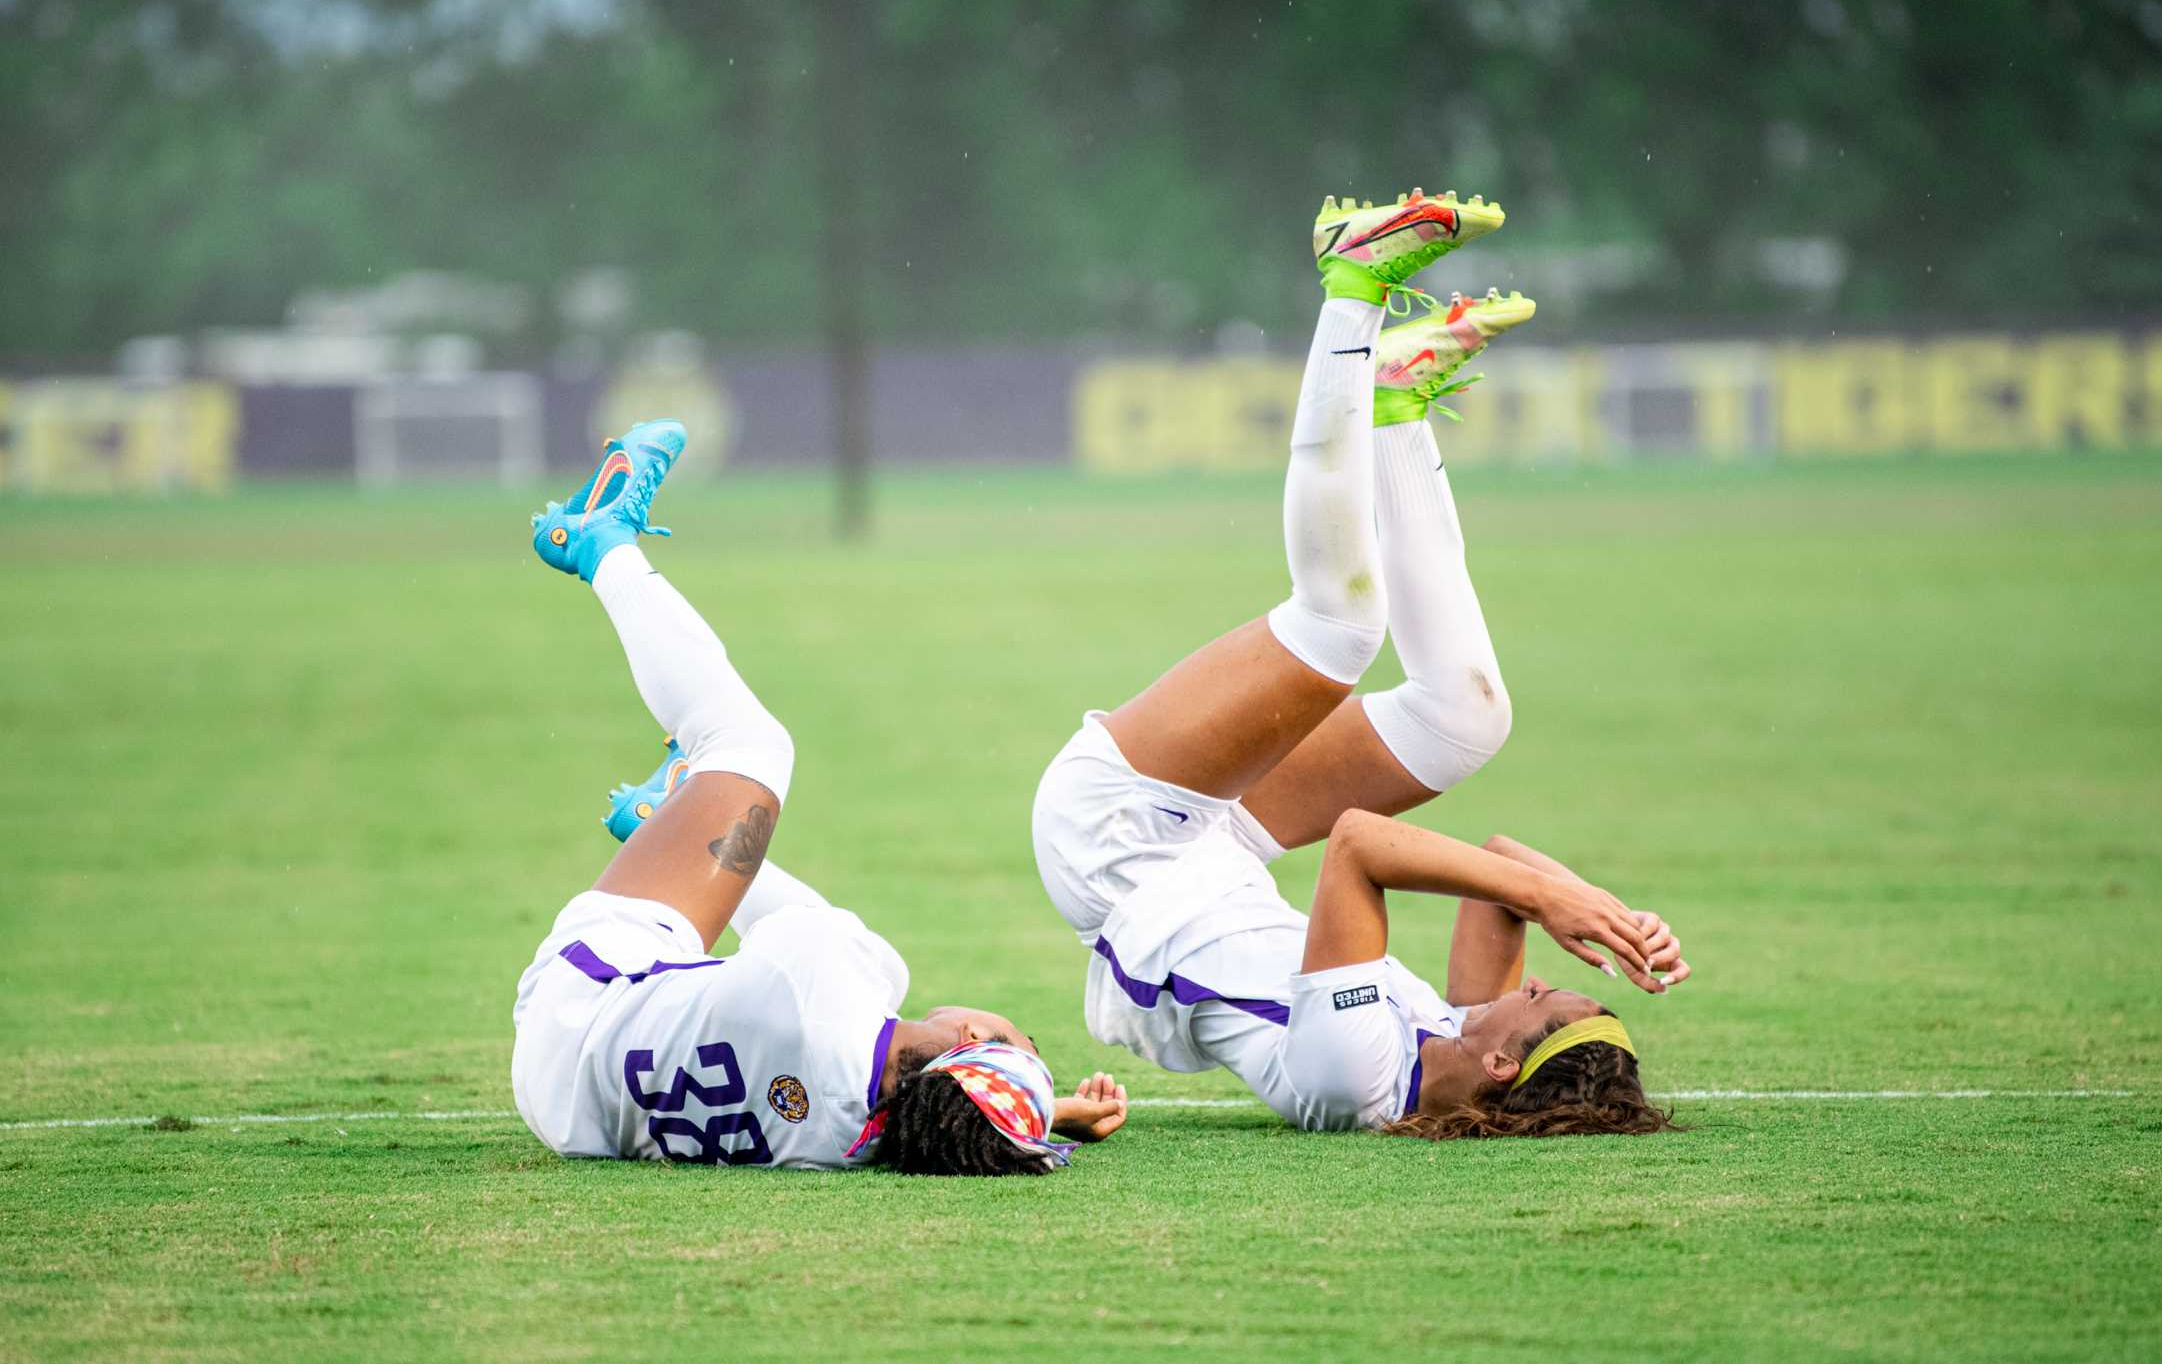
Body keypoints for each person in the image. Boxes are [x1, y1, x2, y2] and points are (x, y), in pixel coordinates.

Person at [1033, 189, 1689, 1139]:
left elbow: (1357, 845)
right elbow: (1496, 870)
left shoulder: (1358, 1078)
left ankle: (1353, 281)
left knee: (1340, 626)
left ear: (1504, 1062)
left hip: (1117, 844)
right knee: (1466, 720)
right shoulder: (1455, 1041)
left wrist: (1554, 897)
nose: (1543, 978)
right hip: (1211, 850)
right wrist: (1602, 909)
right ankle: (1395, 409)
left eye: (1548, 1001)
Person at [511, 421, 1129, 1171]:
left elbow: (800, 935)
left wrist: (1031, 1097)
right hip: (566, 1108)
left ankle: (598, 538)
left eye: (1020, 1037)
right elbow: (935, 1110)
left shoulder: (829, 977)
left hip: (580, 1000)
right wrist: (1036, 1111)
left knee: (751, 747)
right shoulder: (861, 1140)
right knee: (806, 940)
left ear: (973, 1040)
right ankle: (667, 809)